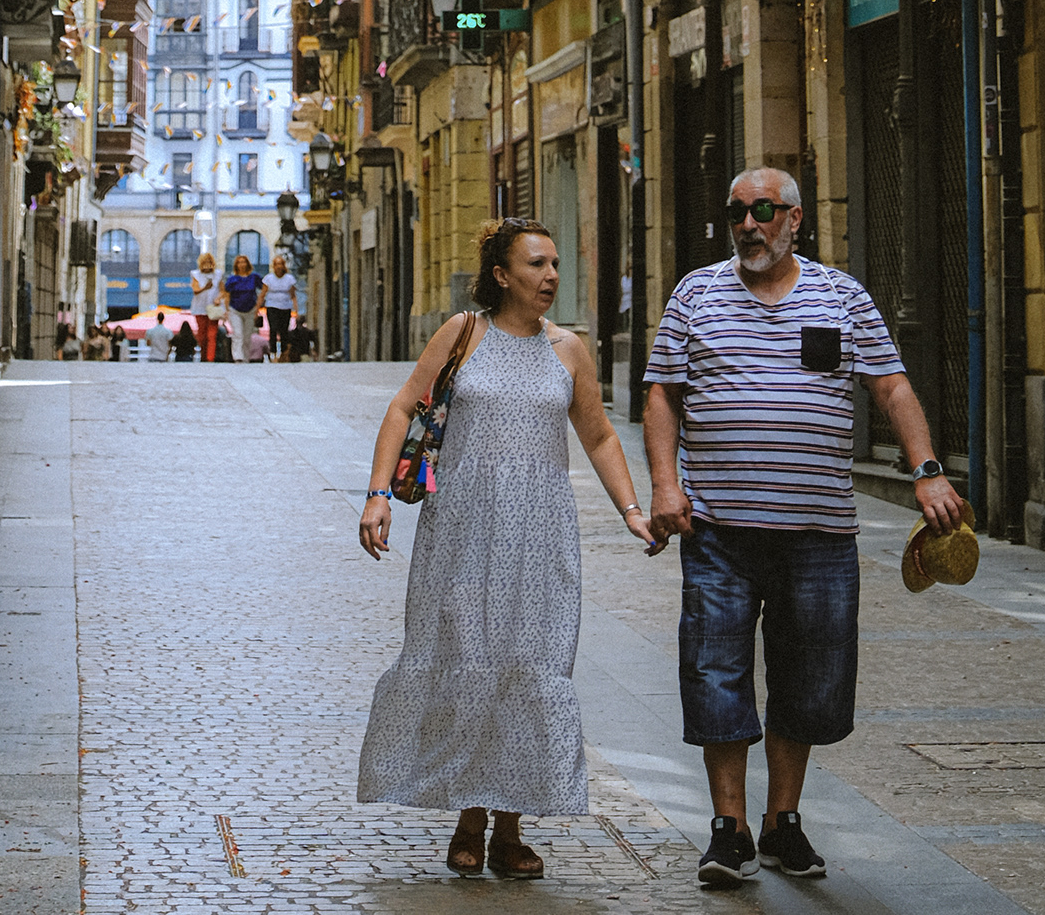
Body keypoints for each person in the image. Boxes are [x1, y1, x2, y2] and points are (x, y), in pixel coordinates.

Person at [644, 166, 965, 889]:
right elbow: (662, 393)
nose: (749, 225)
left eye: (764, 211)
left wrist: (928, 470)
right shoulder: (696, 293)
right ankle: (728, 830)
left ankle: (781, 821)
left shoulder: (842, 296)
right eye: (737, 213)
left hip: (818, 532)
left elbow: (890, 385)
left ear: (795, 219)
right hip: (719, 530)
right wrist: (666, 484)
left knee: (811, 681)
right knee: (715, 672)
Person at [356, 216, 661, 879]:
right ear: (502, 274)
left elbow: (601, 437)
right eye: (536, 265)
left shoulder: (570, 350)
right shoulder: (463, 335)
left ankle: (511, 827)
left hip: (541, 537)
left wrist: (633, 510)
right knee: (468, 660)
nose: (550, 276)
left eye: (554, 264)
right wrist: (378, 492)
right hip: (462, 531)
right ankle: (470, 816)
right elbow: (406, 406)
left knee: (529, 665)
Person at [224, 251, 263, 361]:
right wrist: (226, 309)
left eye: (244, 262)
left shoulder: (254, 277)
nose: (242, 264)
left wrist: (259, 304)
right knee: (238, 334)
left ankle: (246, 357)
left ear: (247, 264)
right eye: (239, 262)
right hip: (235, 309)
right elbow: (227, 294)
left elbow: (264, 289)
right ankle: (238, 357)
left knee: (247, 336)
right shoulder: (232, 279)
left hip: (250, 309)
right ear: (236, 265)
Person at [262, 251, 298, 359]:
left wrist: (296, 310)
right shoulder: (268, 278)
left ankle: (283, 353)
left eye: (280, 264)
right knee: (273, 328)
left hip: (285, 306)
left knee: (284, 330)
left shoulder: (289, 279)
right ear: (274, 266)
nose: (278, 266)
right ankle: (273, 352)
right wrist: (257, 307)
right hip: (272, 305)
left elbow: (293, 295)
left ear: (283, 266)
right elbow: (263, 294)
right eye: (276, 264)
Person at [191, 251, 222, 361]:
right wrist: (205, 288)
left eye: (209, 261)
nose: (207, 264)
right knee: (202, 335)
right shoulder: (196, 275)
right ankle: (204, 356)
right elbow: (195, 290)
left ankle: (210, 358)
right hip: (200, 308)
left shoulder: (218, 274)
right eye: (205, 261)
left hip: (213, 308)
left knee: (212, 335)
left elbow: (223, 290)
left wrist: (218, 298)